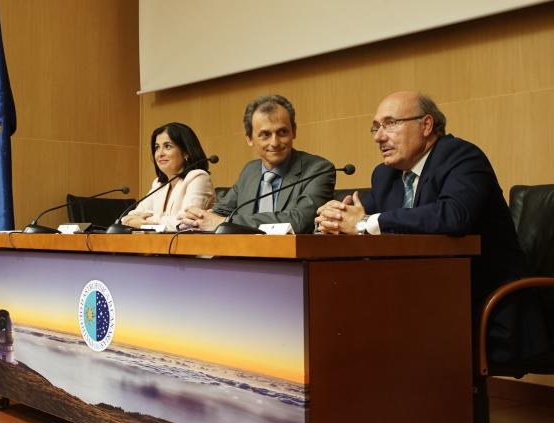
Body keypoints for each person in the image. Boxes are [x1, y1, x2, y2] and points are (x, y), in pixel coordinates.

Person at [315, 90, 548, 362]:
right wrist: (335, 220)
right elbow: (361, 221)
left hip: (482, 305)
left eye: (389, 124)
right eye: (375, 127)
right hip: (420, 301)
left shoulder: (462, 157)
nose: (379, 136)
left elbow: (453, 215)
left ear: (426, 125)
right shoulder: (385, 175)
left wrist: (364, 222)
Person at [182, 95, 335, 234]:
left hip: (291, 260)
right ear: (249, 138)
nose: (274, 142)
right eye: (265, 135)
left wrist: (225, 222)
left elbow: (300, 221)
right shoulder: (250, 171)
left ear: (293, 132)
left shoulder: (318, 169)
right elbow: (222, 210)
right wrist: (199, 216)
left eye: (282, 132)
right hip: (244, 256)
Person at [122, 122, 215, 231]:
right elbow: (127, 218)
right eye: (157, 147)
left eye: (167, 146)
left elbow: (185, 223)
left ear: (186, 152)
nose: (160, 153)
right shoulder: (159, 184)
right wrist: (151, 223)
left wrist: (145, 222)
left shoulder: (198, 177)